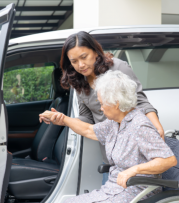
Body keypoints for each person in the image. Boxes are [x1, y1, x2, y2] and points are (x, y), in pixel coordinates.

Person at [39, 70, 177, 203]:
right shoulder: (116, 122)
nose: (101, 108)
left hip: (136, 191)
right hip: (115, 189)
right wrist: (63, 119)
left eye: (103, 103)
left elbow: (169, 160)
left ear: (117, 103)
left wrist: (133, 170)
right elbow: (89, 130)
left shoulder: (139, 125)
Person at [40, 31, 164, 185]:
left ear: (95, 51)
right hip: (111, 155)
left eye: (84, 57)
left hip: (132, 152)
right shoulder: (78, 80)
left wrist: (157, 127)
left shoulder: (118, 67)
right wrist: (64, 119)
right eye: (74, 61)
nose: (80, 65)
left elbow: (141, 102)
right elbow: (87, 118)